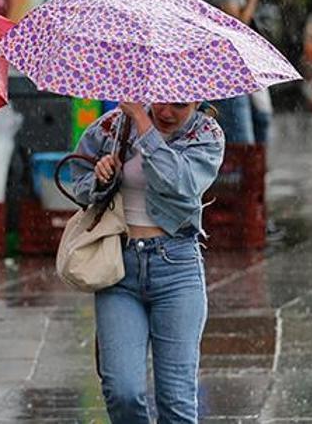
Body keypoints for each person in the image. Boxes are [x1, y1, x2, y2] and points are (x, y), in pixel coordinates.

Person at [71, 102, 225, 423]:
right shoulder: (112, 126)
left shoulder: (205, 134)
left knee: (176, 399)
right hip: (119, 268)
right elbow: (80, 183)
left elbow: (179, 183)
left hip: (177, 266)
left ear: (197, 100)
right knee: (122, 390)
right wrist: (100, 178)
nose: (167, 112)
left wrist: (143, 123)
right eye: (161, 102)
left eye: (180, 105)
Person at [199, 0, 269, 145]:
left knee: (261, 122)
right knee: (242, 142)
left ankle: (252, 173)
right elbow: (236, 28)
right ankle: (246, 174)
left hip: (239, 72)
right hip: (225, 74)